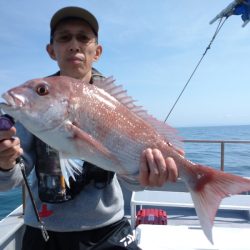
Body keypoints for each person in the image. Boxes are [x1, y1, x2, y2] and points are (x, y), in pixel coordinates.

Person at [0, 6, 179, 250]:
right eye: (64, 37)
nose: (74, 44)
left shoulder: (114, 105)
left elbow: (133, 181)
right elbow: (8, 181)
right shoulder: (36, 106)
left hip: (108, 229)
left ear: (97, 51)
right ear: (52, 51)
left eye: (83, 37)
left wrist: (146, 176)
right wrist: (4, 162)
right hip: (44, 230)